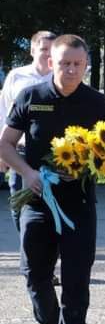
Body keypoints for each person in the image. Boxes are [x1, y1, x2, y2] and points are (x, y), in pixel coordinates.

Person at [0, 34, 105, 324]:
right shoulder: (32, 97)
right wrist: (28, 173)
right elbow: (5, 144)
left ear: (85, 66)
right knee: (34, 274)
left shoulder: (96, 103)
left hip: (78, 203)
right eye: (64, 63)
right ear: (51, 61)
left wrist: (93, 159)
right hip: (36, 200)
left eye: (77, 64)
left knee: (77, 278)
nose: (70, 69)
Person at [1, 30, 57, 232]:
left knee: (52, 202)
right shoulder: (17, 76)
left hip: (54, 152)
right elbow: (3, 112)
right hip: (20, 151)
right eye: (43, 49)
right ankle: (26, 241)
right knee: (18, 201)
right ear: (32, 50)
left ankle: (46, 246)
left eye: (52, 50)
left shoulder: (61, 78)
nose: (48, 54)